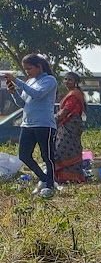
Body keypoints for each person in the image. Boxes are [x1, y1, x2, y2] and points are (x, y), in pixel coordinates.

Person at [5, 54, 58, 197]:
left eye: (29, 68)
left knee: (47, 156)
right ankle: (44, 178)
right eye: (25, 69)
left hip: (44, 124)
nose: (27, 72)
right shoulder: (29, 82)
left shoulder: (49, 80)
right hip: (28, 123)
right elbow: (23, 103)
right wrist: (14, 93)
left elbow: (38, 94)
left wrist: (17, 80)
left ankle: (50, 185)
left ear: (38, 67)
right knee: (24, 155)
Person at [53, 71, 89, 184]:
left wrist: (52, 120)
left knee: (63, 149)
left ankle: (71, 177)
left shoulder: (74, 95)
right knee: (67, 149)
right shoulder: (72, 93)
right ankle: (64, 176)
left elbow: (65, 111)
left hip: (70, 124)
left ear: (76, 82)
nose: (67, 81)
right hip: (68, 124)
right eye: (65, 79)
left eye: (70, 79)